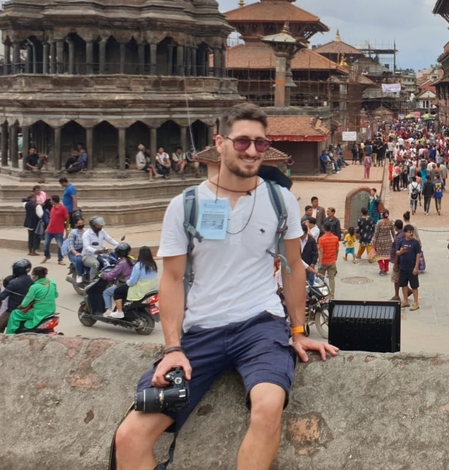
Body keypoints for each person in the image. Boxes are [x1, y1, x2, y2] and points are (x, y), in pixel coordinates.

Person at [114, 102, 336, 470]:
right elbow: (170, 279)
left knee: (268, 407)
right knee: (130, 435)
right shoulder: (185, 205)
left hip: (260, 325)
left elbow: (294, 266)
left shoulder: (280, 201)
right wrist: (172, 347)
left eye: (261, 144)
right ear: (220, 143)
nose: (252, 151)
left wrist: (298, 331)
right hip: (201, 330)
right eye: (243, 141)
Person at [5, 265, 57, 334]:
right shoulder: (52, 282)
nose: (31, 276)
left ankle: (9, 335)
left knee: (15, 313)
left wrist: (20, 307)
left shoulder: (34, 287)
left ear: (36, 276)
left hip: (39, 313)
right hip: (51, 311)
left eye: (32, 275)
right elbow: (56, 295)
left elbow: (24, 304)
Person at [110, 246, 159, 319]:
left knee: (117, 291)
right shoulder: (153, 265)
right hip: (152, 289)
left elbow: (132, 281)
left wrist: (127, 282)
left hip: (141, 290)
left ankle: (119, 312)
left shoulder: (138, 265)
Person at [0, 258, 35, 334]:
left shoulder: (14, 282)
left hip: (13, 310)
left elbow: (1, 297)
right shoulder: (33, 280)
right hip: (30, 309)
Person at [394, 224, 422, 310]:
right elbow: (397, 253)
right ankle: (405, 301)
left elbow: (418, 255)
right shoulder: (402, 242)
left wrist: (416, 267)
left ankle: (416, 302)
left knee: (414, 286)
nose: (411, 233)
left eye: (412, 232)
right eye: (409, 232)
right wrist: (401, 252)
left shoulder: (415, 243)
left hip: (412, 268)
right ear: (405, 233)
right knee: (403, 285)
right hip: (403, 268)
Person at [81, 215, 118, 280]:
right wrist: (95, 251)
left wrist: (118, 245)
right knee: (96, 264)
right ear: (93, 225)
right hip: (88, 255)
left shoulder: (102, 231)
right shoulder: (87, 234)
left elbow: (109, 239)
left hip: (100, 254)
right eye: (99, 225)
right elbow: (86, 246)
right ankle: (92, 281)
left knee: (111, 261)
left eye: (101, 225)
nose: (101, 227)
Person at [102, 242, 134, 315]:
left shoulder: (122, 263)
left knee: (106, 292)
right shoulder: (132, 260)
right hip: (132, 284)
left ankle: (109, 310)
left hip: (123, 284)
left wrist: (102, 275)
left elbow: (111, 276)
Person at [42, 194, 68, 265]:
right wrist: (47, 228)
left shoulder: (63, 208)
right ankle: (47, 255)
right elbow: (51, 219)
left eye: (51, 200)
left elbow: (67, 219)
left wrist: (67, 229)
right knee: (46, 244)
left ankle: (60, 259)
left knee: (60, 245)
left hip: (58, 231)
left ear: (54, 200)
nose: (50, 201)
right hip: (50, 230)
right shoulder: (52, 208)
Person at [317, 224, 340, 298]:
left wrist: (319, 262)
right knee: (331, 279)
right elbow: (337, 250)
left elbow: (321, 252)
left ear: (324, 229)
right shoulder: (335, 238)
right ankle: (331, 295)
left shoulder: (321, 239)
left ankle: (322, 294)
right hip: (332, 261)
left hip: (323, 262)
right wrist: (335, 258)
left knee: (321, 279)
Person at [62, 218, 86, 282]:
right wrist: (76, 253)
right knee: (78, 259)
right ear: (75, 225)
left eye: (82, 223)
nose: (81, 225)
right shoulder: (73, 233)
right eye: (79, 224)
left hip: (84, 251)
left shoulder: (87, 232)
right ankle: (79, 275)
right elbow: (70, 246)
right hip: (74, 251)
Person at [372, 210, 395, 275]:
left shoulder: (379, 222)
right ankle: (386, 269)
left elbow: (376, 233)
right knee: (387, 256)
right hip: (388, 241)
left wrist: (374, 240)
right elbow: (393, 233)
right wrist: (395, 240)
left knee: (379, 255)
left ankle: (382, 267)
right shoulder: (390, 222)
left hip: (380, 241)